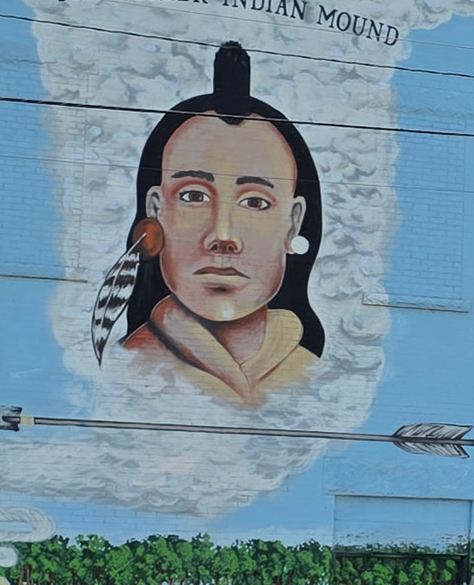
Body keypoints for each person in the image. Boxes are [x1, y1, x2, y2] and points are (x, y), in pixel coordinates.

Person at [95, 41, 326, 406]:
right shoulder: (128, 372)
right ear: (155, 211)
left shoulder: (318, 376)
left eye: (255, 202)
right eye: (193, 196)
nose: (223, 237)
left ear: (293, 223)